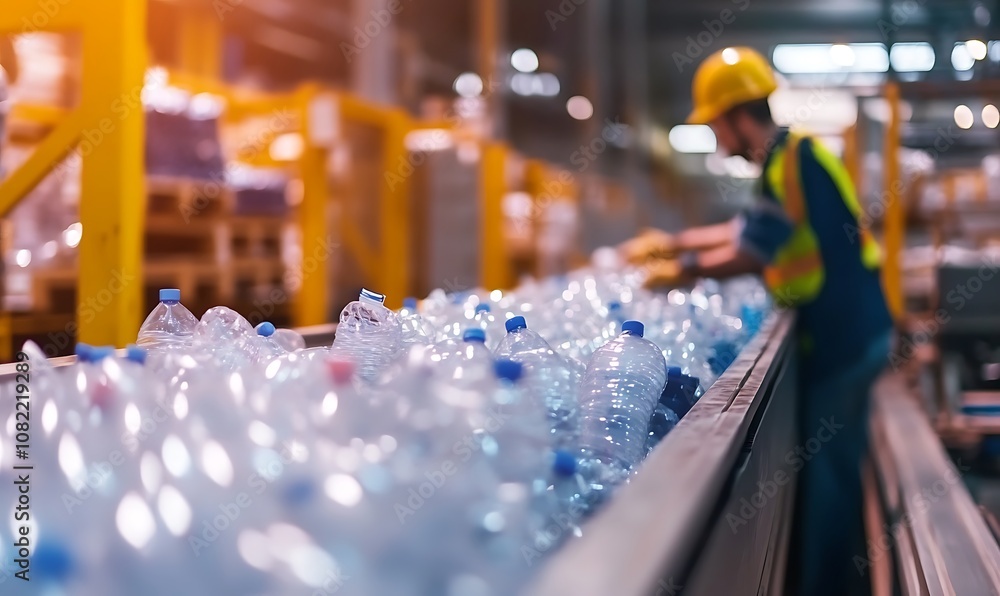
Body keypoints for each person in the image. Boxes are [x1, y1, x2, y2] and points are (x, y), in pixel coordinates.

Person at [621, 47, 893, 596]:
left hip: (844, 339)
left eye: (716, 126)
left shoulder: (791, 162)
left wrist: (682, 270)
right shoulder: (789, 159)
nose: (718, 142)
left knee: (828, 485)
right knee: (830, 475)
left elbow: (753, 250)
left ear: (736, 116)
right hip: (848, 331)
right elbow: (745, 229)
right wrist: (672, 244)